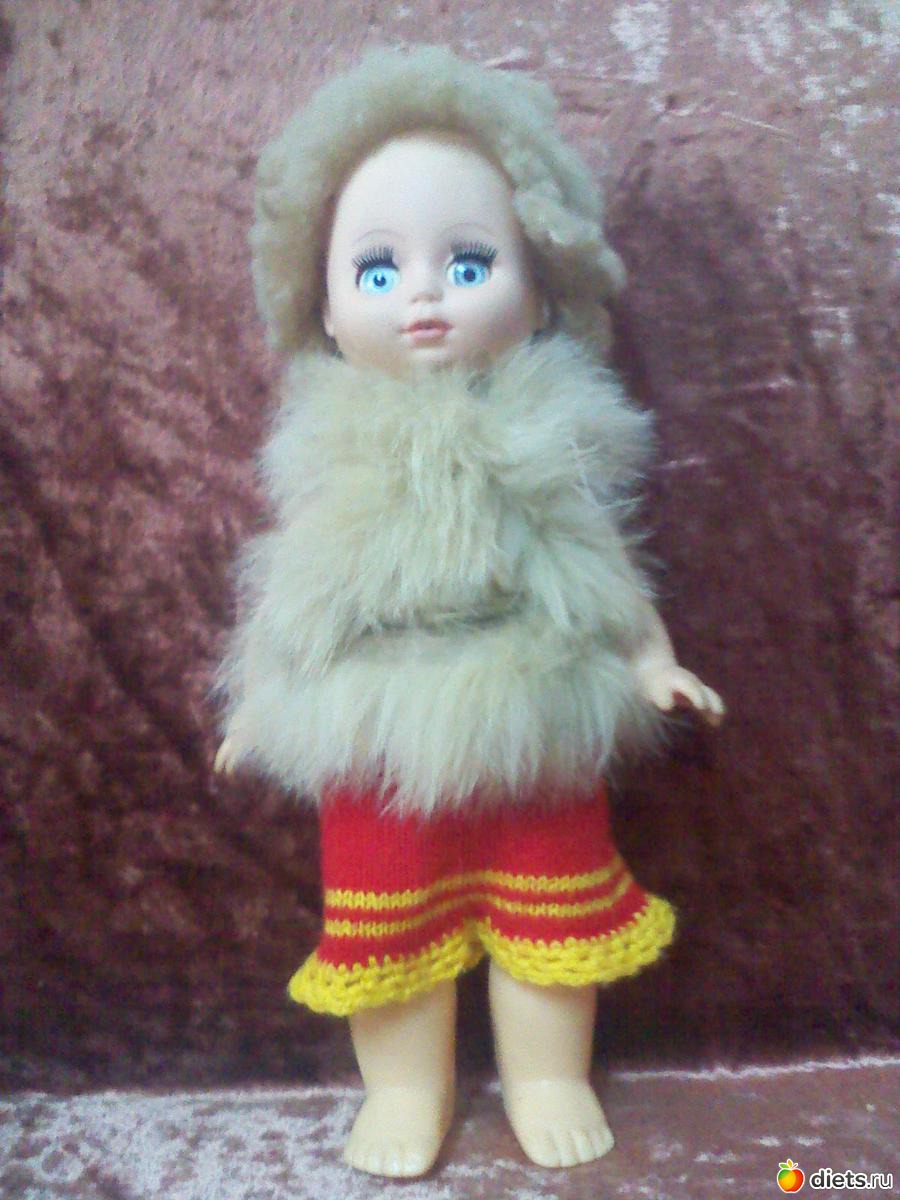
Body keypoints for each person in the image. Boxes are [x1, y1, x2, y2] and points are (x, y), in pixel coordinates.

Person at [215, 46, 724, 1178]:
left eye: (470, 260)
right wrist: (261, 697)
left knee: (553, 918)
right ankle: (408, 1089)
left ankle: (547, 1076)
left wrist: (651, 660)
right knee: (385, 919)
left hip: (531, 705)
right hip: (377, 728)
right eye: (378, 269)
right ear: (327, 312)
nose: (426, 295)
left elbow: (591, 561)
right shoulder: (328, 450)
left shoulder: (548, 429)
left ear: (538, 294)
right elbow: (301, 590)